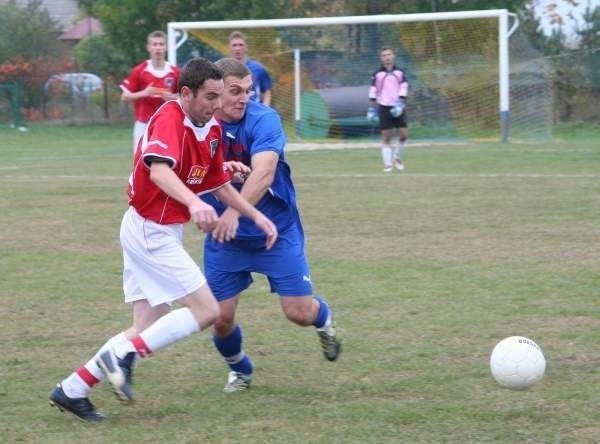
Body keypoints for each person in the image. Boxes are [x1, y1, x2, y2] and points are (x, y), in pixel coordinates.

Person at [48, 58, 278, 422]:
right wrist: (193, 202)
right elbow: (159, 171)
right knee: (208, 311)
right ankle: (124, 357)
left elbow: (216, 181)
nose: (217, 104)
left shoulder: (211, 126)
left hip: (157, 229)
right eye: (210, 97)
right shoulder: (170, 117)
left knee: (145, 327)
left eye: (221, 96)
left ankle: (72, 389)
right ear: (186, 93)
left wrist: (255, 214)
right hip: (148, 228)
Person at [201, 58, 341, 394]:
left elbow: (263, 172)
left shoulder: (264, 119)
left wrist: (235, 211)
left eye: (248, 91)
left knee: (298, 313)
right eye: (235, 91)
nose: (244, 98)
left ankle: (324, 322)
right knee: (218, 317)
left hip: (274, 230)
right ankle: (241, 370)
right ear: (216, 92)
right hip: (226, 236)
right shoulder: (201, 125)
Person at [121, 30, 181, 153]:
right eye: (154, 44)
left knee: (167, 158)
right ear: (149, 47)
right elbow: (125, 97)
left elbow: (186, 97)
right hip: (143, 123)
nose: (158, 48)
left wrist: (172, 97)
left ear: (166, 47)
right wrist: (144, 93)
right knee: (140, 159)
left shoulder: (175, 72)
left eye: (161, 44)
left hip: (166, 123)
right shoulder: (139, 70)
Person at [367, 46, 409, 173]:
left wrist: (400, 103)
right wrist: (371, 109)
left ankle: (396, 157)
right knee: (386, 137)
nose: (387, 57)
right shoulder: (377, 74)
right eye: (384, 55)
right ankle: (388, 164)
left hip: (397, 107)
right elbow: (373, 90)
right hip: (383, 107)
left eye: (389, 54)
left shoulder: (400, 72)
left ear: (393, 55)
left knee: (403, 135)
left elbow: (404, 87)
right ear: (381, 58)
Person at [228, 31, 273, 106]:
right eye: (234, 45)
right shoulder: (223, 68)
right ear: (229, 47)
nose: (237, 48)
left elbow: (266, 91)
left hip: (254, 112)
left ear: (246, 47)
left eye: (240, 45)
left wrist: (265, 108)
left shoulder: (258, 68)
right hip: (232, 112)